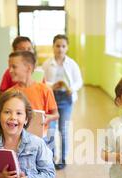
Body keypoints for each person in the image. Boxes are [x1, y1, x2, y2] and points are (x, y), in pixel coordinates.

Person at [42, 34, 83, 170]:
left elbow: (79, 81)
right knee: (51, 130)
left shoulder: (72, 63)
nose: (60, 49)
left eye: (63, 46)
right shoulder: (47, 64)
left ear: (67, 48)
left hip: (66, 98)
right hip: (51, 98)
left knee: (63, 129)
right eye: (58, 46)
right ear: (53, 47)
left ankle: (63, 158)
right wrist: (51, 85)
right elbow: (42, 82)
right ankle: (52, 157)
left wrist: (72, 88)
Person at [8, 50, 59, 154]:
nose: (10, 70)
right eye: (9, 67)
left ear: (28, 68)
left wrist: (47, 118)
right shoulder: (9, 93)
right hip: (19, 140)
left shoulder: (45, 90)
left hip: (42, 139)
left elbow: (55, 114)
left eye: (14, 67)